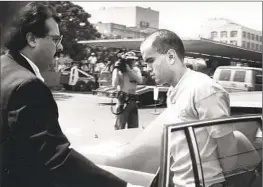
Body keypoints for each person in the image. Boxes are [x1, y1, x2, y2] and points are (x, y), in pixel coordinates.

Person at [0, 2, 143, 187]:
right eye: (55, 39)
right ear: (32, 39)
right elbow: (57, 158)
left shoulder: (5, 68)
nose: (59, 48)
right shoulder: (28, 85)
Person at [140, 29, 237, 187]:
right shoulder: (174, 91)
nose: (147, 68)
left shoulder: (203, 89)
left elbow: (228, 146)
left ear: (171, 56)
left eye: (150, 60)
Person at [112, 51, 143, 130]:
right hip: (123, 100)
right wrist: (116, 69)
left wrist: (129, 70)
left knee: (133, 128)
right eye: (129, 60)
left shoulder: (135, 70)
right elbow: (114, 85)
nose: (132, 62)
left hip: (133, 101)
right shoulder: (120, 72)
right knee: (119, 126)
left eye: (133, 60)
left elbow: (140, 80)